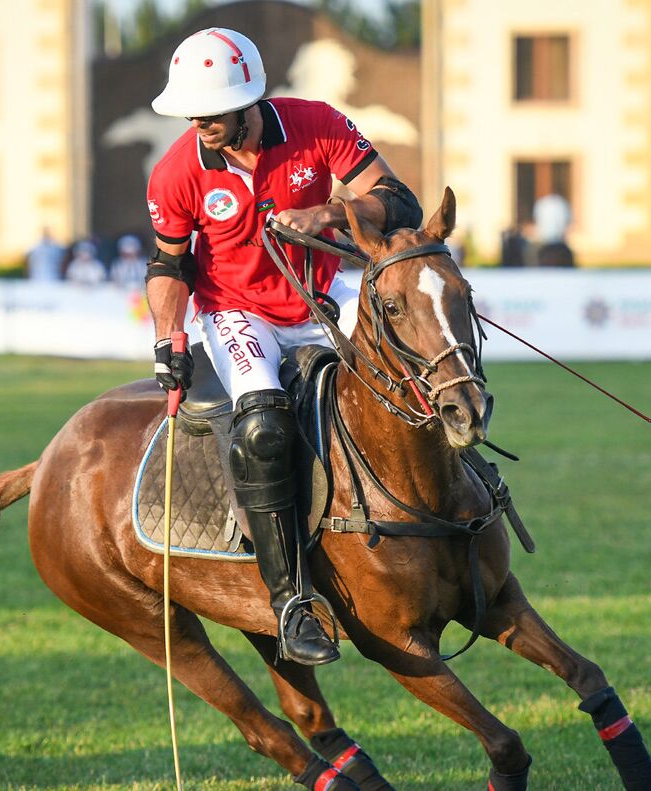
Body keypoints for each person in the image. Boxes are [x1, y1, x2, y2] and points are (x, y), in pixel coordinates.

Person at [145, 28, 422, 669]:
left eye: (210, 111)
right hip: (238, 315)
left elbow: (397, 199)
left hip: (318, 303)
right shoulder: (177, 171)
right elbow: (168, 265)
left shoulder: (316, 124)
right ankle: (292, 600)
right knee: (265, 425)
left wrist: (327, 213)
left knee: (407, 384)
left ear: (248, 101)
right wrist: (169, 336)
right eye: (191, 111)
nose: (198, 123)